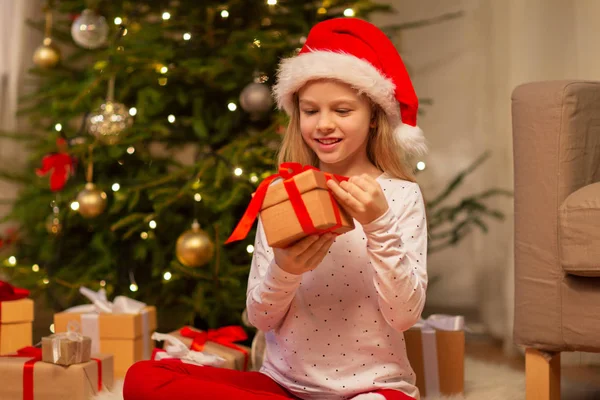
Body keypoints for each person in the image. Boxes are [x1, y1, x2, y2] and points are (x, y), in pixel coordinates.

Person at [123, 17, 428, 400]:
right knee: (144, 377)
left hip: (372, 391)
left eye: (343, 111)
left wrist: (379, 226)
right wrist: (285, 269)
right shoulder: (283, 192)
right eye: (310, 110)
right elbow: (260, 317)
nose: (324, 124)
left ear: (372, 118)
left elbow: (405, 316)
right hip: (282, 389)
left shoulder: (399, 196)